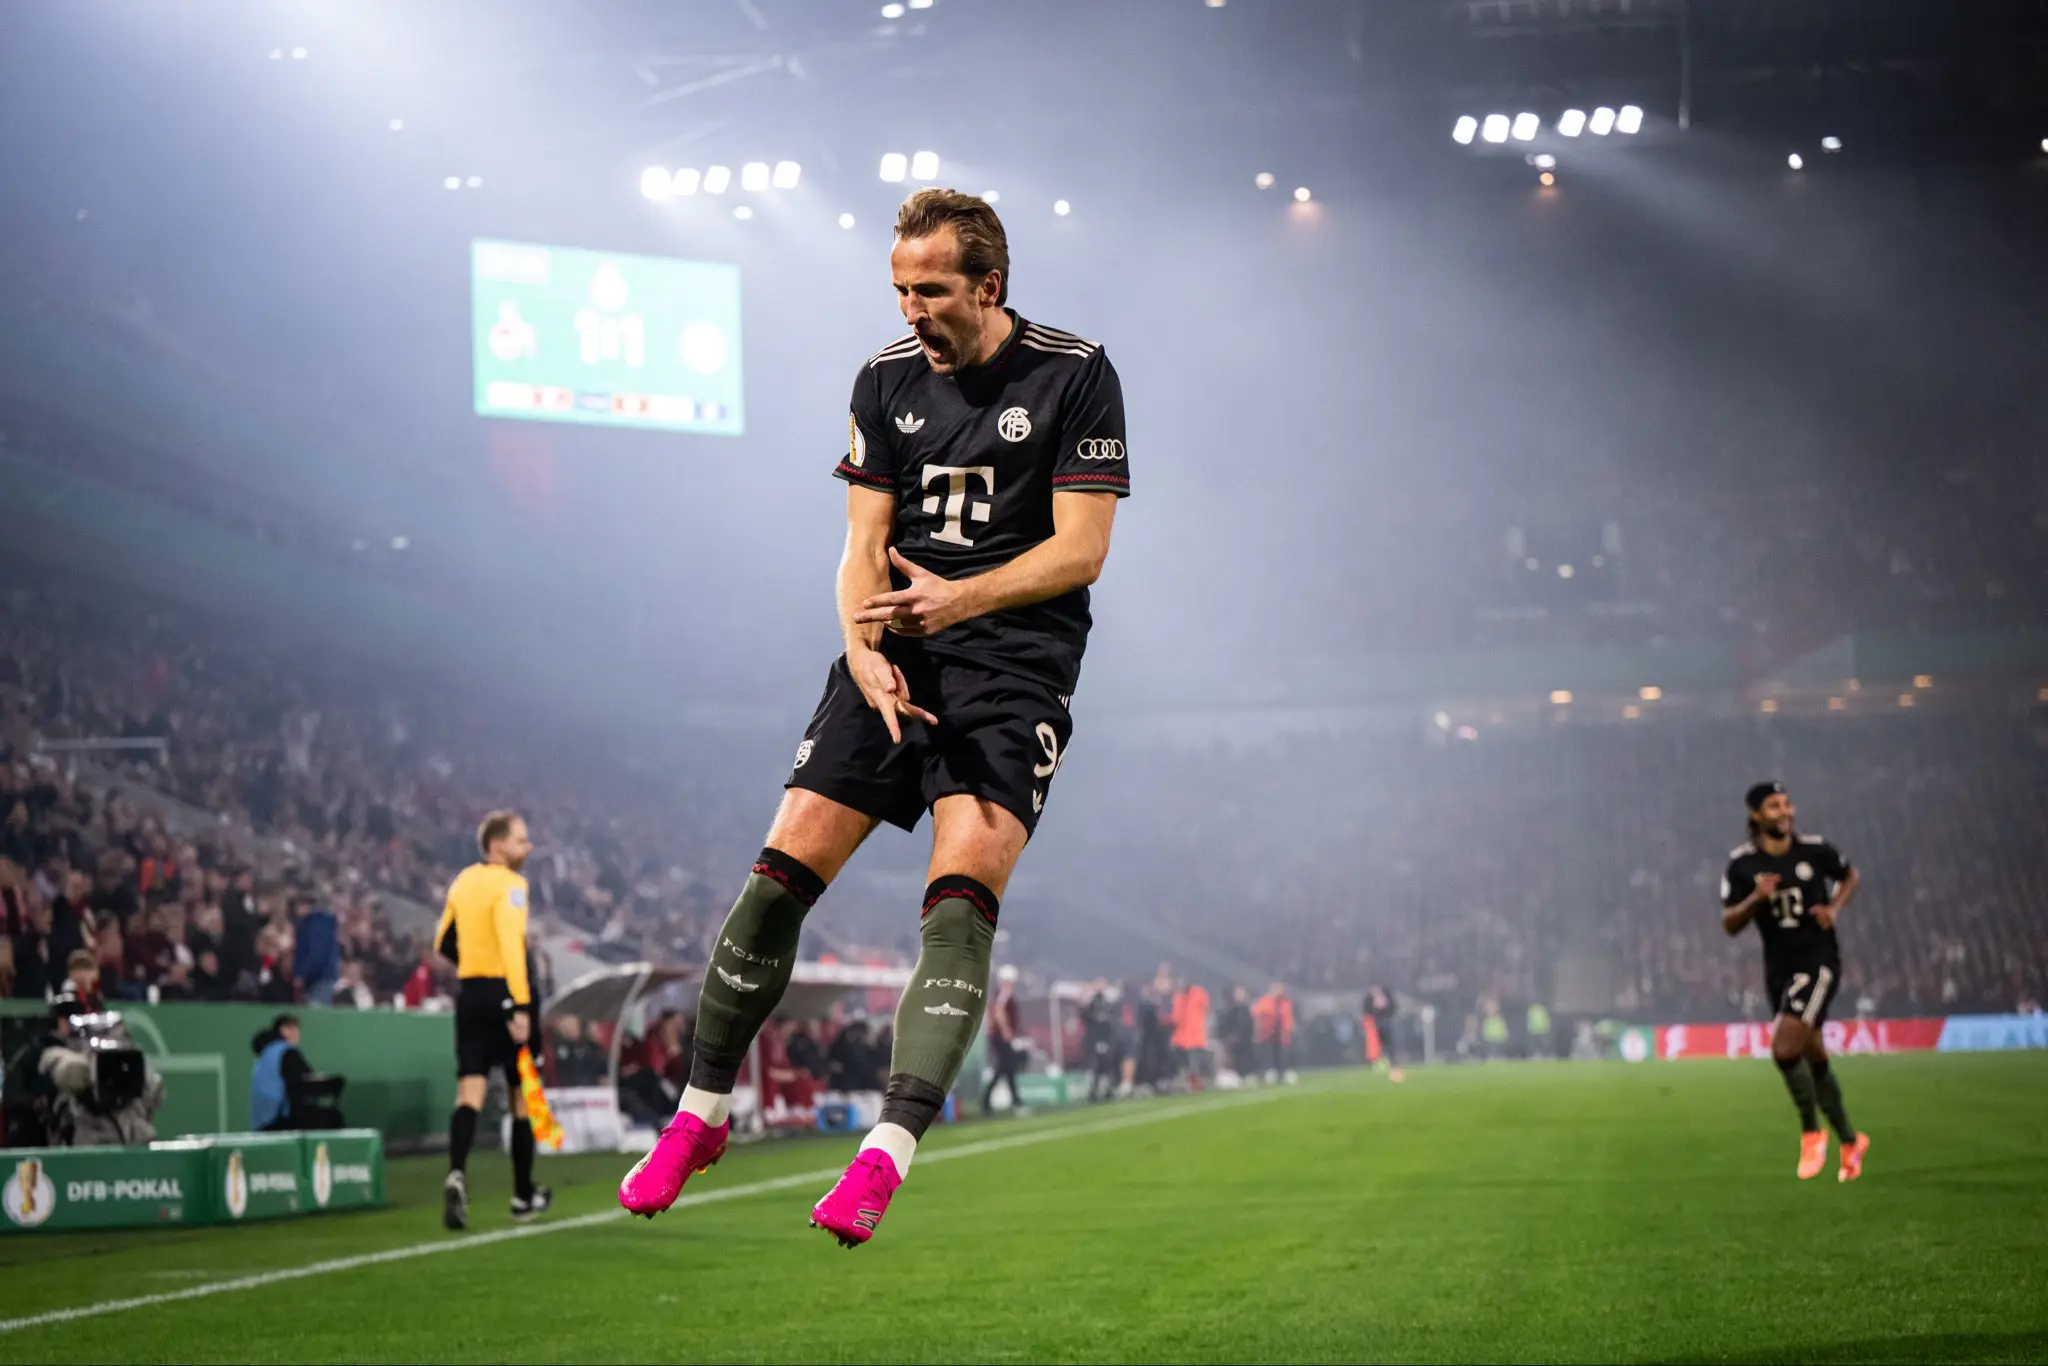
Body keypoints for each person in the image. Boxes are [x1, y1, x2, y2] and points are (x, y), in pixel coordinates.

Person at [619, 187, 1129, 1248]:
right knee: (776, 875)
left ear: (989, 285)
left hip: (1014, 668)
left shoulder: (1076, 372)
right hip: (893, 646)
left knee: (958, 897)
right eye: (899, 289)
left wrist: (960, 600)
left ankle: (885, 1152)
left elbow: (1082, 550)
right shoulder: (883, 378)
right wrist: (861, 647)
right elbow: (860, 545)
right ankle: (698, 1116)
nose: (911, 309)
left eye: (930, 289)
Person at [1721, 781, 1870, 1182]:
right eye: (1774, 806)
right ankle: (1851, 1142)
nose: (1785, 812)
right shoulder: (1742, 864)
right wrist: (1755, 898)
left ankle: (1811, 1133)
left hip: (1817, 962)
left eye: (1787, 804)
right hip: (1778, 970)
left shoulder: (1815, 851)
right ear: (1756, 815)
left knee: (1784, 1049)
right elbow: (1729, 923)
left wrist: (1835, 908)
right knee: (1813, 1053)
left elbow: (1850, 875)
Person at [434, 810, 552, 1229]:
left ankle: (456, 1172)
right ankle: (522, 1196)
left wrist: (474, 965)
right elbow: (510, 946)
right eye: (521, 840)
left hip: (470, 995)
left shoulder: (463, 881)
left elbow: (443, 941)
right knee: (522, 1098)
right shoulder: (513, 885)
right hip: (506, 993)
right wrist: (519, 1005)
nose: (527, 847)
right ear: (497, 844)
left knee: (469, 1094)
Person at [250, 1013, 346, 1131]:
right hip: (280, 1119)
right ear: (283, 1030)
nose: (296, 1033)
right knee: (332, 1117)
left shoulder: (264, 1055)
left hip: (262, 1122)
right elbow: (300, 1085)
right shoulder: (287, 1052)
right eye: (292, 1029)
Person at [982, 963, 1024, 1115]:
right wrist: (1006, 1031)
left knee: (1007, 1069)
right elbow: (999, 1011)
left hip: (998, 1036)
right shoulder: (1004, 993)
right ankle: (988, 1101)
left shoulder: (1000, 993)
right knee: (1004, 1069)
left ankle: (1014, 1101)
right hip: (1000, 1037)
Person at [1363, 984, 1404, 1084]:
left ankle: (1391, 1063)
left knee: (1389, 1044)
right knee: (1376, 1045)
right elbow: (1366, 1009)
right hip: (1375, 1023)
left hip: (1386, 1022)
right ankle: (1378, 1063)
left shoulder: (1387, 994)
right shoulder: (1369, 997)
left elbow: (1394, 1007)